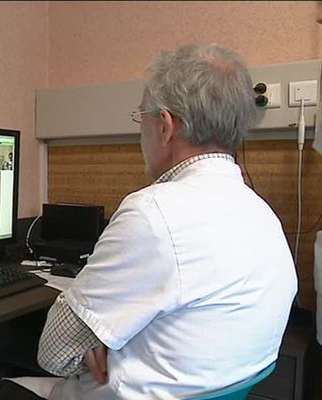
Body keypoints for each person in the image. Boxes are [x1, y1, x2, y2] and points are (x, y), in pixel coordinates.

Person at [24, 43, 297, 399]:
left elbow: (55, 354)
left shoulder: (153, 214)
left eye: (142, 118)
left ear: (165, 126)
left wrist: (103, 340)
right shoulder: (263, 215)